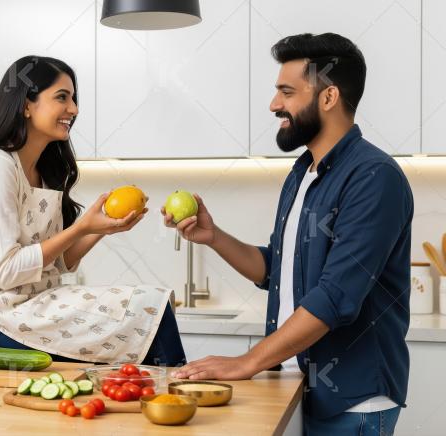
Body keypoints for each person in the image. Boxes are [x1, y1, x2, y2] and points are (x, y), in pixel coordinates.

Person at [164, 34, 412, 435]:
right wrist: (215, 237)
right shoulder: (303, 172)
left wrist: (247, 362)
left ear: (329, 97)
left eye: (287, 92)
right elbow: (275, 270)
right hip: (303, 387)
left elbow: (335, 297)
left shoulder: (374, 177)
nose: (274, 104)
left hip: (354, 402)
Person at [0, 55, 186, 366]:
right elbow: (7, 271)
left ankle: (164, 395)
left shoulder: (43, 172)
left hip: (36, 304)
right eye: (62, 97)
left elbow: (59, 264)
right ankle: (177, 393)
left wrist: (99, 228)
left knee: (150, 308)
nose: (74, 109)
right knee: (150, 306)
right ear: (25, 105)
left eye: (74, 98)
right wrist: (82, 227)